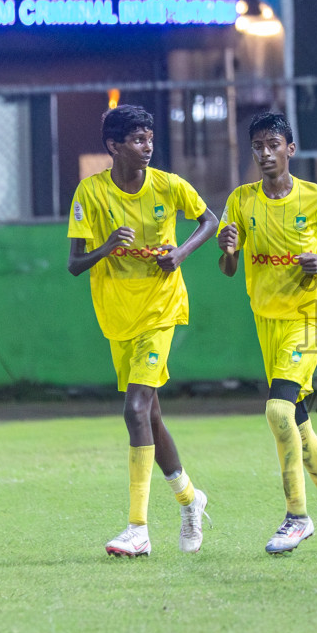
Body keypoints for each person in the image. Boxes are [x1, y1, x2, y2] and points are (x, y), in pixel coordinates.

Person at [68, 105, 217, 558]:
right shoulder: (90, 194)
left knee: (134, 409)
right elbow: (75, 264)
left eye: (150, 138)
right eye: (137, 139)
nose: (147, 146)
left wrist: (181, 254)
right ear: (114, 146)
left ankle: (138, 528)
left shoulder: (168, 185)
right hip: (118, 316)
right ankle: (190, 500)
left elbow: (210, 219)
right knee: (150, 415)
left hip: (161, 309)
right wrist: (106, 246)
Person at [217, 112, 317, 556]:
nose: (265, 153)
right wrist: (227, 251)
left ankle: (297, 518)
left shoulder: (316, 197)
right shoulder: (241, 201)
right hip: (267, 320)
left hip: (307, 317)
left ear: (290, 149)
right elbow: (229, 269)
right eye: (258, 146)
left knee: (278, 412)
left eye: (273, 144)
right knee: (298, 426)